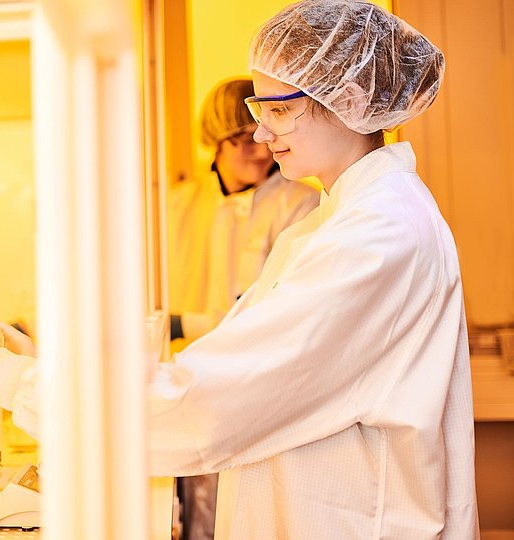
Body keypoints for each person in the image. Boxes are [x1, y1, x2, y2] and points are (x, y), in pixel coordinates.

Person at [0, 1, 479, 537]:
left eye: (278, 109)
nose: (260, 133)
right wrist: (40, 363)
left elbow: (208, 403)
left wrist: (1, 378)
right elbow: (227, 365)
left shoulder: (376, 236)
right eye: (260, 111)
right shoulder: (333, 223)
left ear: (349, 99)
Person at [168, 77, 319, 540]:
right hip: (185, 382)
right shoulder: (178, 205)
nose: (257, 147)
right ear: (214, 144)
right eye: (238, 139)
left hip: (262, 386)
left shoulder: (303, 204)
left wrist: (183, 323)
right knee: (192, 511)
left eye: (262, 131)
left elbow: (279, 315)